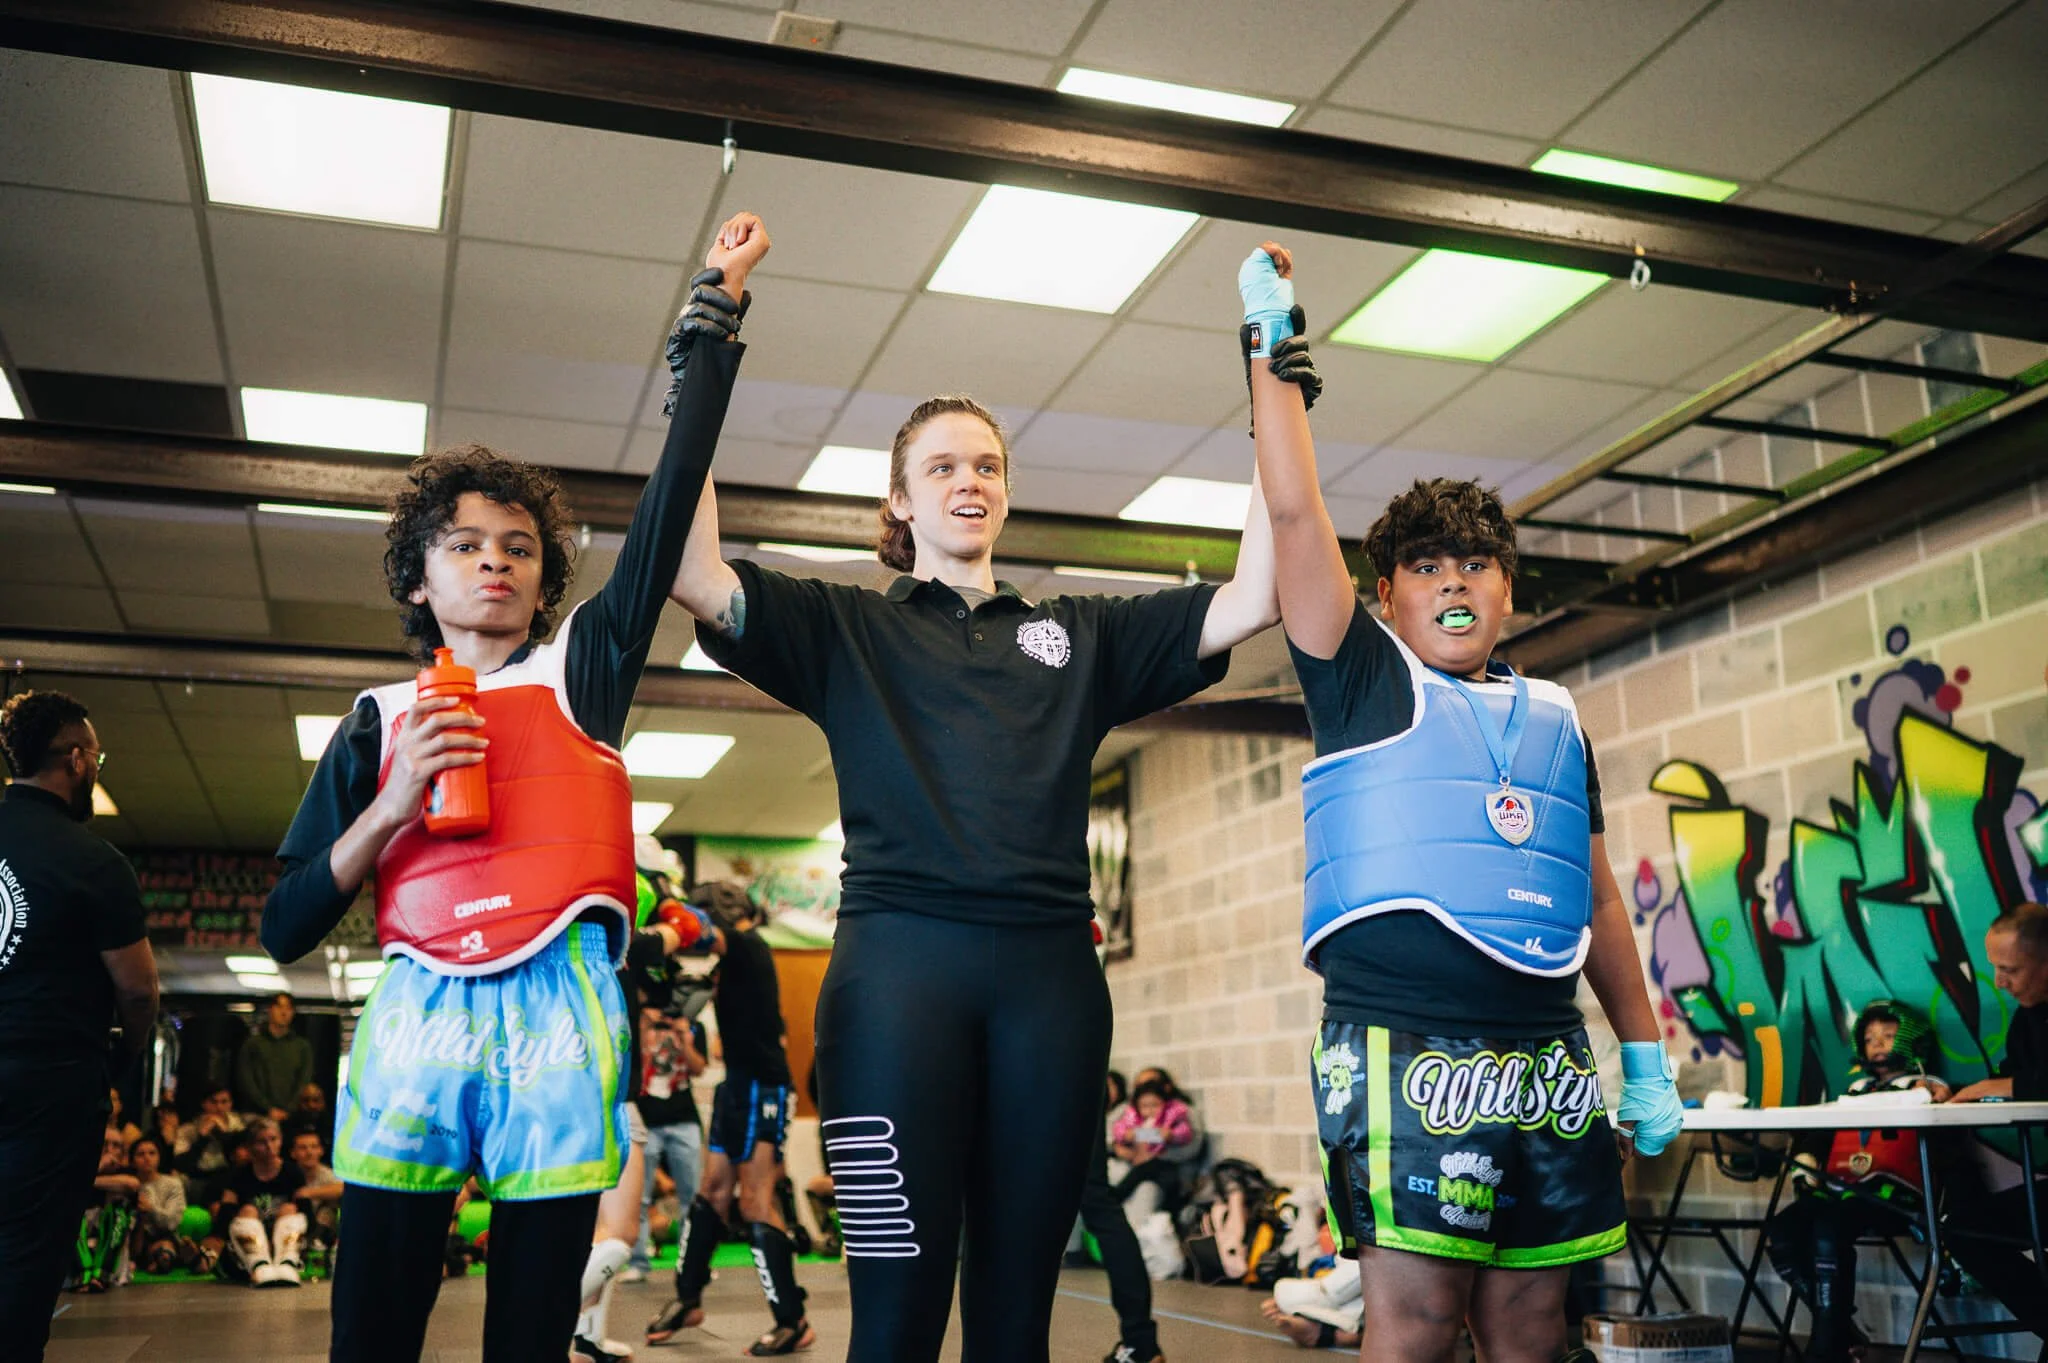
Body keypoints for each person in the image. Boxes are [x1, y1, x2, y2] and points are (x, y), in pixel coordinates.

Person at [667, 314, 1278, 1359]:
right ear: (899, 501)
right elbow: (690, 569)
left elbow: (1259, 594)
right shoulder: (846, 628)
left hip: (1048, 988)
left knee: (1015, 1327)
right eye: (941, 464)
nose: (970, 479)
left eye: (987, 464)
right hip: (892, 987)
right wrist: (703, 367)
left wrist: (1274, 391)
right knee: (895, 1323)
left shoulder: (1078, 635)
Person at [259, 211, 765, 1363]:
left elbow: (670, 496)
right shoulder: (378, 721)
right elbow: (287, 924)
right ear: (418, 575)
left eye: (520, 545)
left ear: (542, 583)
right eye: (464, 542)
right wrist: (391, 806)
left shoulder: (581, 670)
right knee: (373, 1316)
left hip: (556, 1012)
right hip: (416, 1017)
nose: (495, 557)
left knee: (531, 1323)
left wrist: (712, 319)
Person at [1235, 243, 1681, 1363]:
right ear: (1384, 593)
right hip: (1400, 1046)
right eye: (1425, 564)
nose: (1451, 578)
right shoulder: (1361, 676)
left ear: (1508, 588)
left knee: (1534, 1327)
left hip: (1543, 1052)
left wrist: (1642, 1052)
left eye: (1475, 562)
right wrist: (1269, 366)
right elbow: (1294, 524)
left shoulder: (1554, 716)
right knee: (1419, 1321)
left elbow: (1589, 894)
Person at [0, 688, 159, 1363]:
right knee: (27, 1251)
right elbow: (139, 989)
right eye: (97, 754)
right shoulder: (94, 862)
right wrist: (129, 1058)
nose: (99, 766)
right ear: (75, 756)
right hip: (50, 1082)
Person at [647, 882, 811, 1355]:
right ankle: (688, 1299)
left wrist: (662, 908)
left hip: (765, 1088)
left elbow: (704, 936)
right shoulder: (733, 960)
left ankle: (793, 1320)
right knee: (711, 1192)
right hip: (735, 1085)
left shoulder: (746, 945)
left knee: (756, 1201)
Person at [1766, 1001, 1947, 1361]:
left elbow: (1940, 1109)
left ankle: (1825, 1347)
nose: (1878, 1044)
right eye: (1869, 1038)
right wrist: (1806, 1167)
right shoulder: (1855, 1092)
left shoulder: (1926, 1086)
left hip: (1895, 1198)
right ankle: (1837, 1328)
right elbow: (1820, 1138)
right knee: (1783, 1230)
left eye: (1890, 1036)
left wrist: (1928, 1093)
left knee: (1828, 1229)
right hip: (1841, 1191)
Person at [1941, 901, 2048, 1342]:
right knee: (1965, 1231)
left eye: (2011, 970)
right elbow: (2009, 1078)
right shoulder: (2028, 1019)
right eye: (1995, 969)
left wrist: (1998, 1085)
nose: (2000, 983)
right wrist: (1953, 1091)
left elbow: (2014, 1082)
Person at [632, 1003, 707, 1276]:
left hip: (684, 1120)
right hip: (648, 1121)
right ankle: (638, 1262)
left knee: (692, 1197)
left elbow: (699, 1068)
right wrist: (645, 1033)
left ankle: (692, 1265)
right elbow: (635, 1072)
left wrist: (684, 1039)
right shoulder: (639, 1029)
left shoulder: (692, 1029)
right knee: (639, 1198)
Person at [214, 1117, 309, 1287]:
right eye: (261, 1142)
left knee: (289, 1208)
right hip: (248, 1246)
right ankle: (259, 1265)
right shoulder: (238, 1175)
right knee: (248, 1210)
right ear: (250, 1147)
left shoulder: (292, 1172)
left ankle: (287, 1264)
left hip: (285, 1244)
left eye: (273, 1139)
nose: (269, 1147)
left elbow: (306, 1214)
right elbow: (225, 1218)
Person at [1110, 1079, 1195, 1218]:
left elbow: (1185, 1134)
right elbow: (1118, 1131)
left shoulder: (1172, 1117)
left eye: (1155, 1105)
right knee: (1139, 1173)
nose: (1150, 1110)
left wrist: (1171, 1135)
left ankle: (1173, 1211)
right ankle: (1117, 1195)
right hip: (1139, 1163)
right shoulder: (1132, 1118)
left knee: (1170, 1180)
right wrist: (1127, 1135)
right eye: (1144, 1106)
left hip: (1162, 1162)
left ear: (1165, 1104)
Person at [73, 1124, 140, 1292]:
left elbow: (132, 1184)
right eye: (104, 1144)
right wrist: (99, 1165)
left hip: (111, 1245)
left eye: (115, 1145)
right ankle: (84, 1274)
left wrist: (87, 1182)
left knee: (119, 1210)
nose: (110, 1149)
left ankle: (100, 1275)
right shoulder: (79, 1169)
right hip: (81, 1239)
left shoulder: (127, 1171)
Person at [235, 992, 314, 1121]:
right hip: (256, 1115)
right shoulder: (253, 1044)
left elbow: (304, 1079)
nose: (284, 1012)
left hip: (292, 1117)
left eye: (288, 1008)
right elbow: (246, 1079)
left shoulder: (302, 1047)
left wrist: (289, 1108)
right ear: (270, 1010)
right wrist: (267, 1108)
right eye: (279, 1007)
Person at [129, 1134, 193, 1275]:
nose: (147, 1158)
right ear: (132, 1161)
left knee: (165, 1250)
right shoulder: (127, 1184)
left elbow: (171, 1222)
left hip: (164, 1235)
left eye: (152, 1153)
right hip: (133, 1237)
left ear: (159, 1157)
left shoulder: (172, 1184)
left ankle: (164, 1258)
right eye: (141, 1154)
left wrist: (151, 1209)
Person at [173, 1082, 245, 1208]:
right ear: (204, 1104)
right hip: (197, 1177)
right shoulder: (188, 1129)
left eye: (224, 1102)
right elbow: (182, 1164)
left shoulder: (239, 1126)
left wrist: (221, 1134)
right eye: (213, 1102)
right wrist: (202, 1138)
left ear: (230, 1104)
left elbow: (238, 1157)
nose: (219, 1107)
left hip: (227, 1176)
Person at [287, 1128, 345, 1262]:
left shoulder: (326, 1174)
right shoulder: (287, 1172)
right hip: (293, 1227)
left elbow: (342, 1188)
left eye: (314, 1147)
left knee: (329, 1208)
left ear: (321, 1151)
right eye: (303, 1148)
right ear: (293, 1153)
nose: (309, 1152)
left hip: (320, 1226)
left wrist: (309, 1193)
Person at [285, 1081, 335, 1153]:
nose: (311, 1105)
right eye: (306, 1101)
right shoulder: (289, 1124)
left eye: (316, 1100)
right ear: (299, 1102)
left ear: (323, 1102)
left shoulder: (333, 1125)